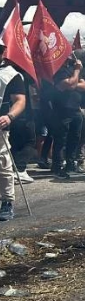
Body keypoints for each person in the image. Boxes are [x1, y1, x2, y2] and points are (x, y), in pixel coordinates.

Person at [51, 51, 85, 178]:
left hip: (75, 110)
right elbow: (67, 85)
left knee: (74, 139)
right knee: (61, 139)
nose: (71, 56)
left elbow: (84, 87)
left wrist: (73, 82)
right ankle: (57, 167)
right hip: (63, 110)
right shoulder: (59, 71)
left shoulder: (71, 70)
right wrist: (77, 72)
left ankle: (70, 165)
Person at [0, 52, 26, 221]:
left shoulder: (11, 74)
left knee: (2, 163)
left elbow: (20, 100)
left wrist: (9, 116)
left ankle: (7, 201)